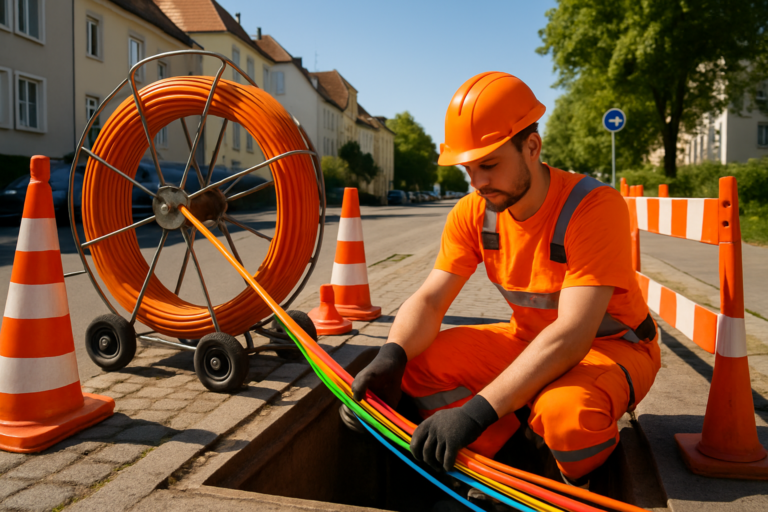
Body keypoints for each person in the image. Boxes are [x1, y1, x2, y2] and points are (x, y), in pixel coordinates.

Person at [346, 71, 660, 487]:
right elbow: (430, 300)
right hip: (527, 341)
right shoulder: (475, 211)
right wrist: (390, 358)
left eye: (489, 165)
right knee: (418, 364)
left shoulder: (593, 208)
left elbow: (572, 335)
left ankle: (574, 486)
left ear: (532, 146)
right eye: (469, 169)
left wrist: (476, 411)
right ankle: (499, 472)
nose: (477, 183)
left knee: (565, 415)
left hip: (610, 350)